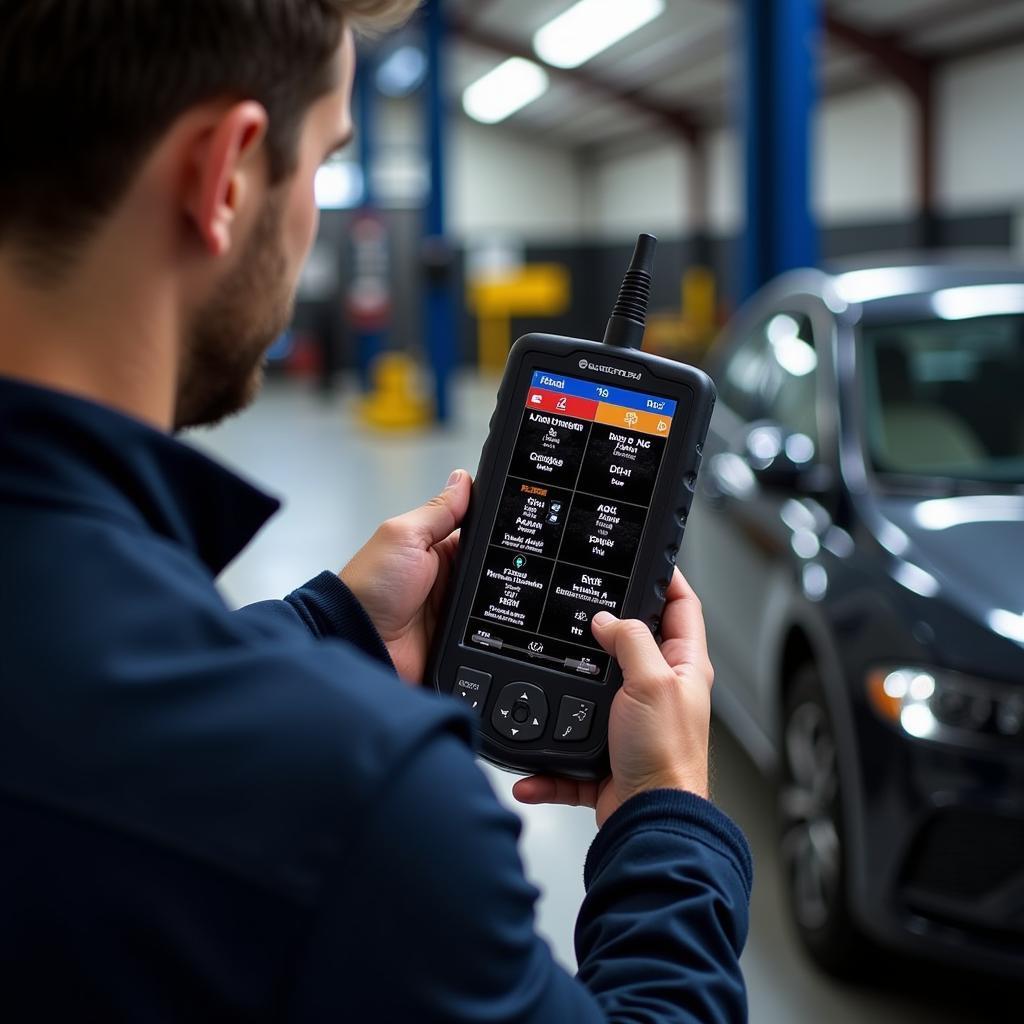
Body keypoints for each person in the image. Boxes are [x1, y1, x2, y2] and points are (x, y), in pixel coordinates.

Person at [0, 2, 752, 1021]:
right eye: (321, 162)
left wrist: (330, 625)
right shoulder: (355, 804)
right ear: (225, 172)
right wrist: (666, 815)